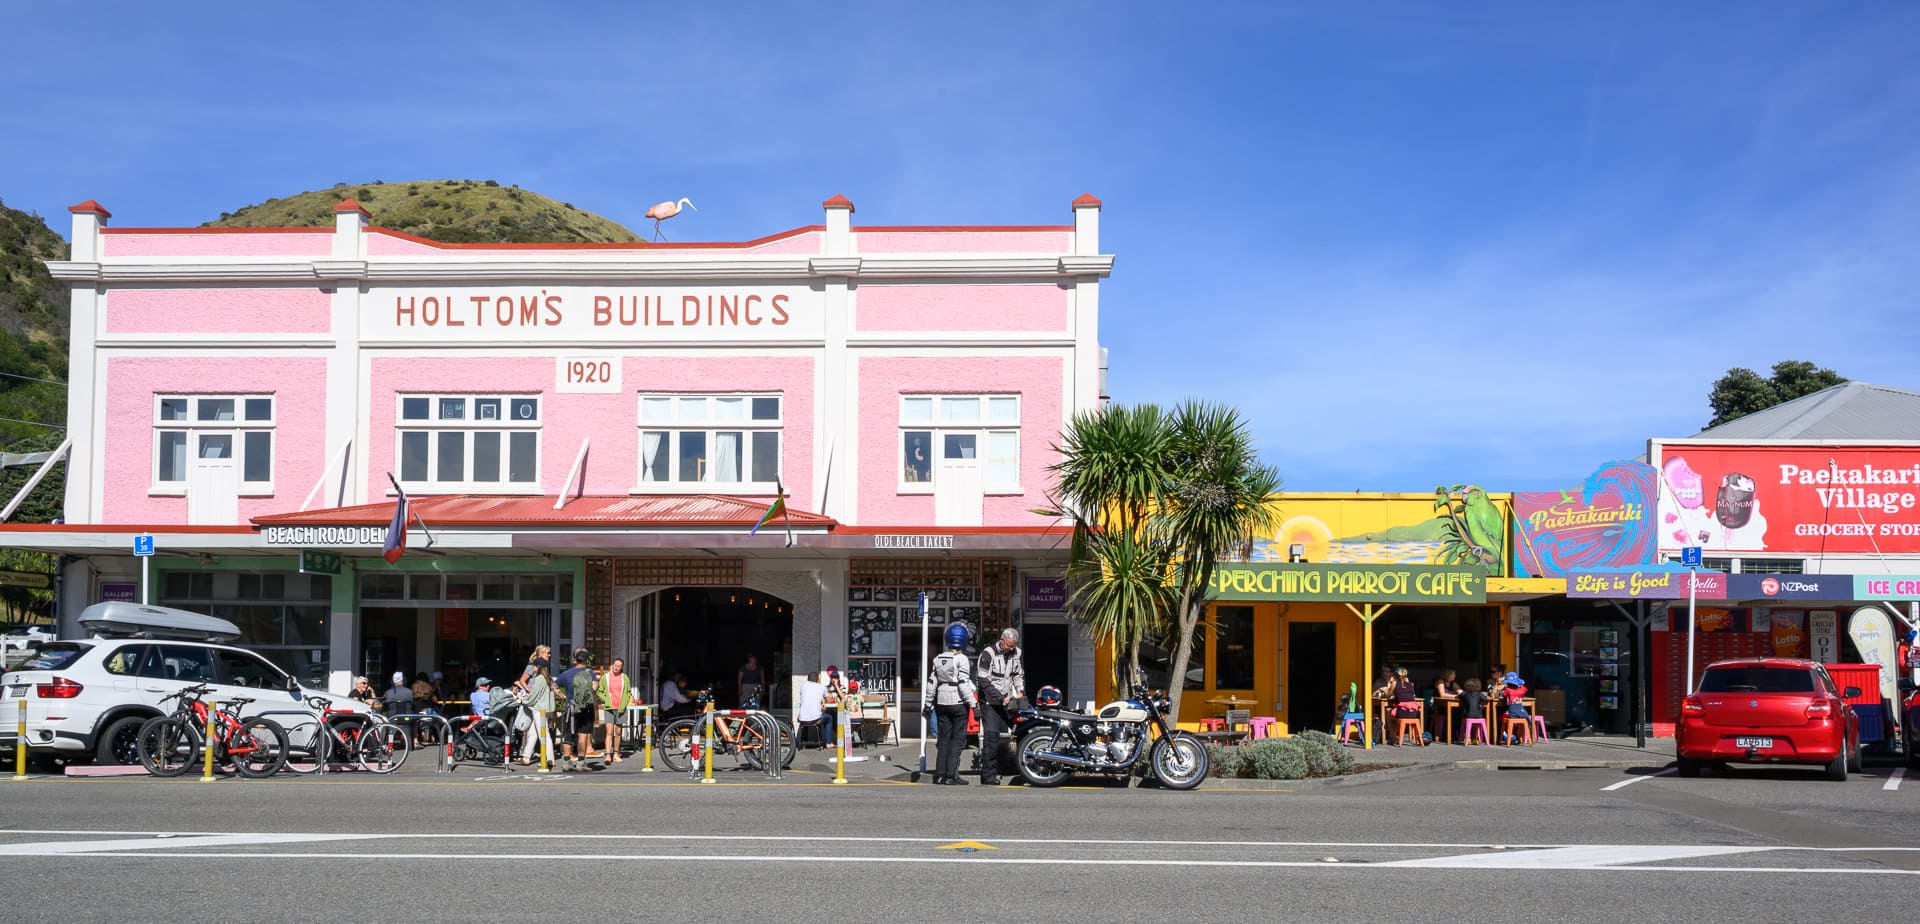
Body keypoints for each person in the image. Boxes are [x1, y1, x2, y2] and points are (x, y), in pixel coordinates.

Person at [925, 623, 978, 785]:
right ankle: (951, 775)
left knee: (944, 739)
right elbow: (963, 683)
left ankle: (939, 774)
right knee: (957, 740)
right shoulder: (962, 659)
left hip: (941, 701)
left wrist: (928, 703)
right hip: (958, 702)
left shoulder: (938, 658)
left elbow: (931, 682)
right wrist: (974, 704)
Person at [974, 627, 1026, 785]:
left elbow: (1018, 674)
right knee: (991, 736)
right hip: (990, 702)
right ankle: (988, 775)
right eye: (1009, 645)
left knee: (1022, 730)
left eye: (1014, 645)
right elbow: (983, 681)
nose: (1011, 648)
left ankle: (1017, 766)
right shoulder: (988, 654)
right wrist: (1001, 697)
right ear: (1001, 641)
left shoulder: (1017, 653)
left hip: (1008, 700)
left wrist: (1020, 691)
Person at [556, 648, 603, 768]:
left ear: (575, 660)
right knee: (583, 734)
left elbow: (554, 685)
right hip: (586, 709)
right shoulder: (590, 672)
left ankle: (566, 763)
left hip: (571, 708)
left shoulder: (566, 673)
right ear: (586, 661)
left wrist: (562, 695)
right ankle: (581, 763)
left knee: (568, 736)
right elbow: (594, 687)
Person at [597, 658, 640, 762]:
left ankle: (616, 753)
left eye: (619, 666)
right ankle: (608, 754)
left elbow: (628, 692)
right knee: (609, 731)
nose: (616, 667)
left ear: (621, 668)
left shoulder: (625, 678)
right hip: (609, 708)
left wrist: (625, 702)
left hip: (621, 708)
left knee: (618, 731)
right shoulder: (605, 677)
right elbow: (599, 692)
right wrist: (606, 700)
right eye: (615, 665)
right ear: (612, 665)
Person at [518, 657, 554, 765]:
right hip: (545, 708)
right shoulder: (547, 678)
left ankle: (549, 758)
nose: (532, 668)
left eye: (533, 666)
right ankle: (526, 756)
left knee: (544, 734)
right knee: (533, 733)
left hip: (539, 709)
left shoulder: (539, 679)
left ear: (538, 667)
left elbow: (534, 695)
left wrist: (523, 699)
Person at [795, 671, 828, 749]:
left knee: (803, 722)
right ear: (817, 679)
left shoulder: (803, 685)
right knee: (829, 718)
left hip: (802, 719)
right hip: (816, 719)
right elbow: (828, 699)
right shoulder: (822, 687)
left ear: (808, 679)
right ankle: (826, 742)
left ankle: (801, 742)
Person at [410, 672, 439, 744]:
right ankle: (433, 736)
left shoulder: (413, 686)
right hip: (426, 712)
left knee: (416, 721)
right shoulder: (428, 687)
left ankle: (416, 738)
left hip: (416, 712)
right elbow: (435, 701)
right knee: (439, 719)